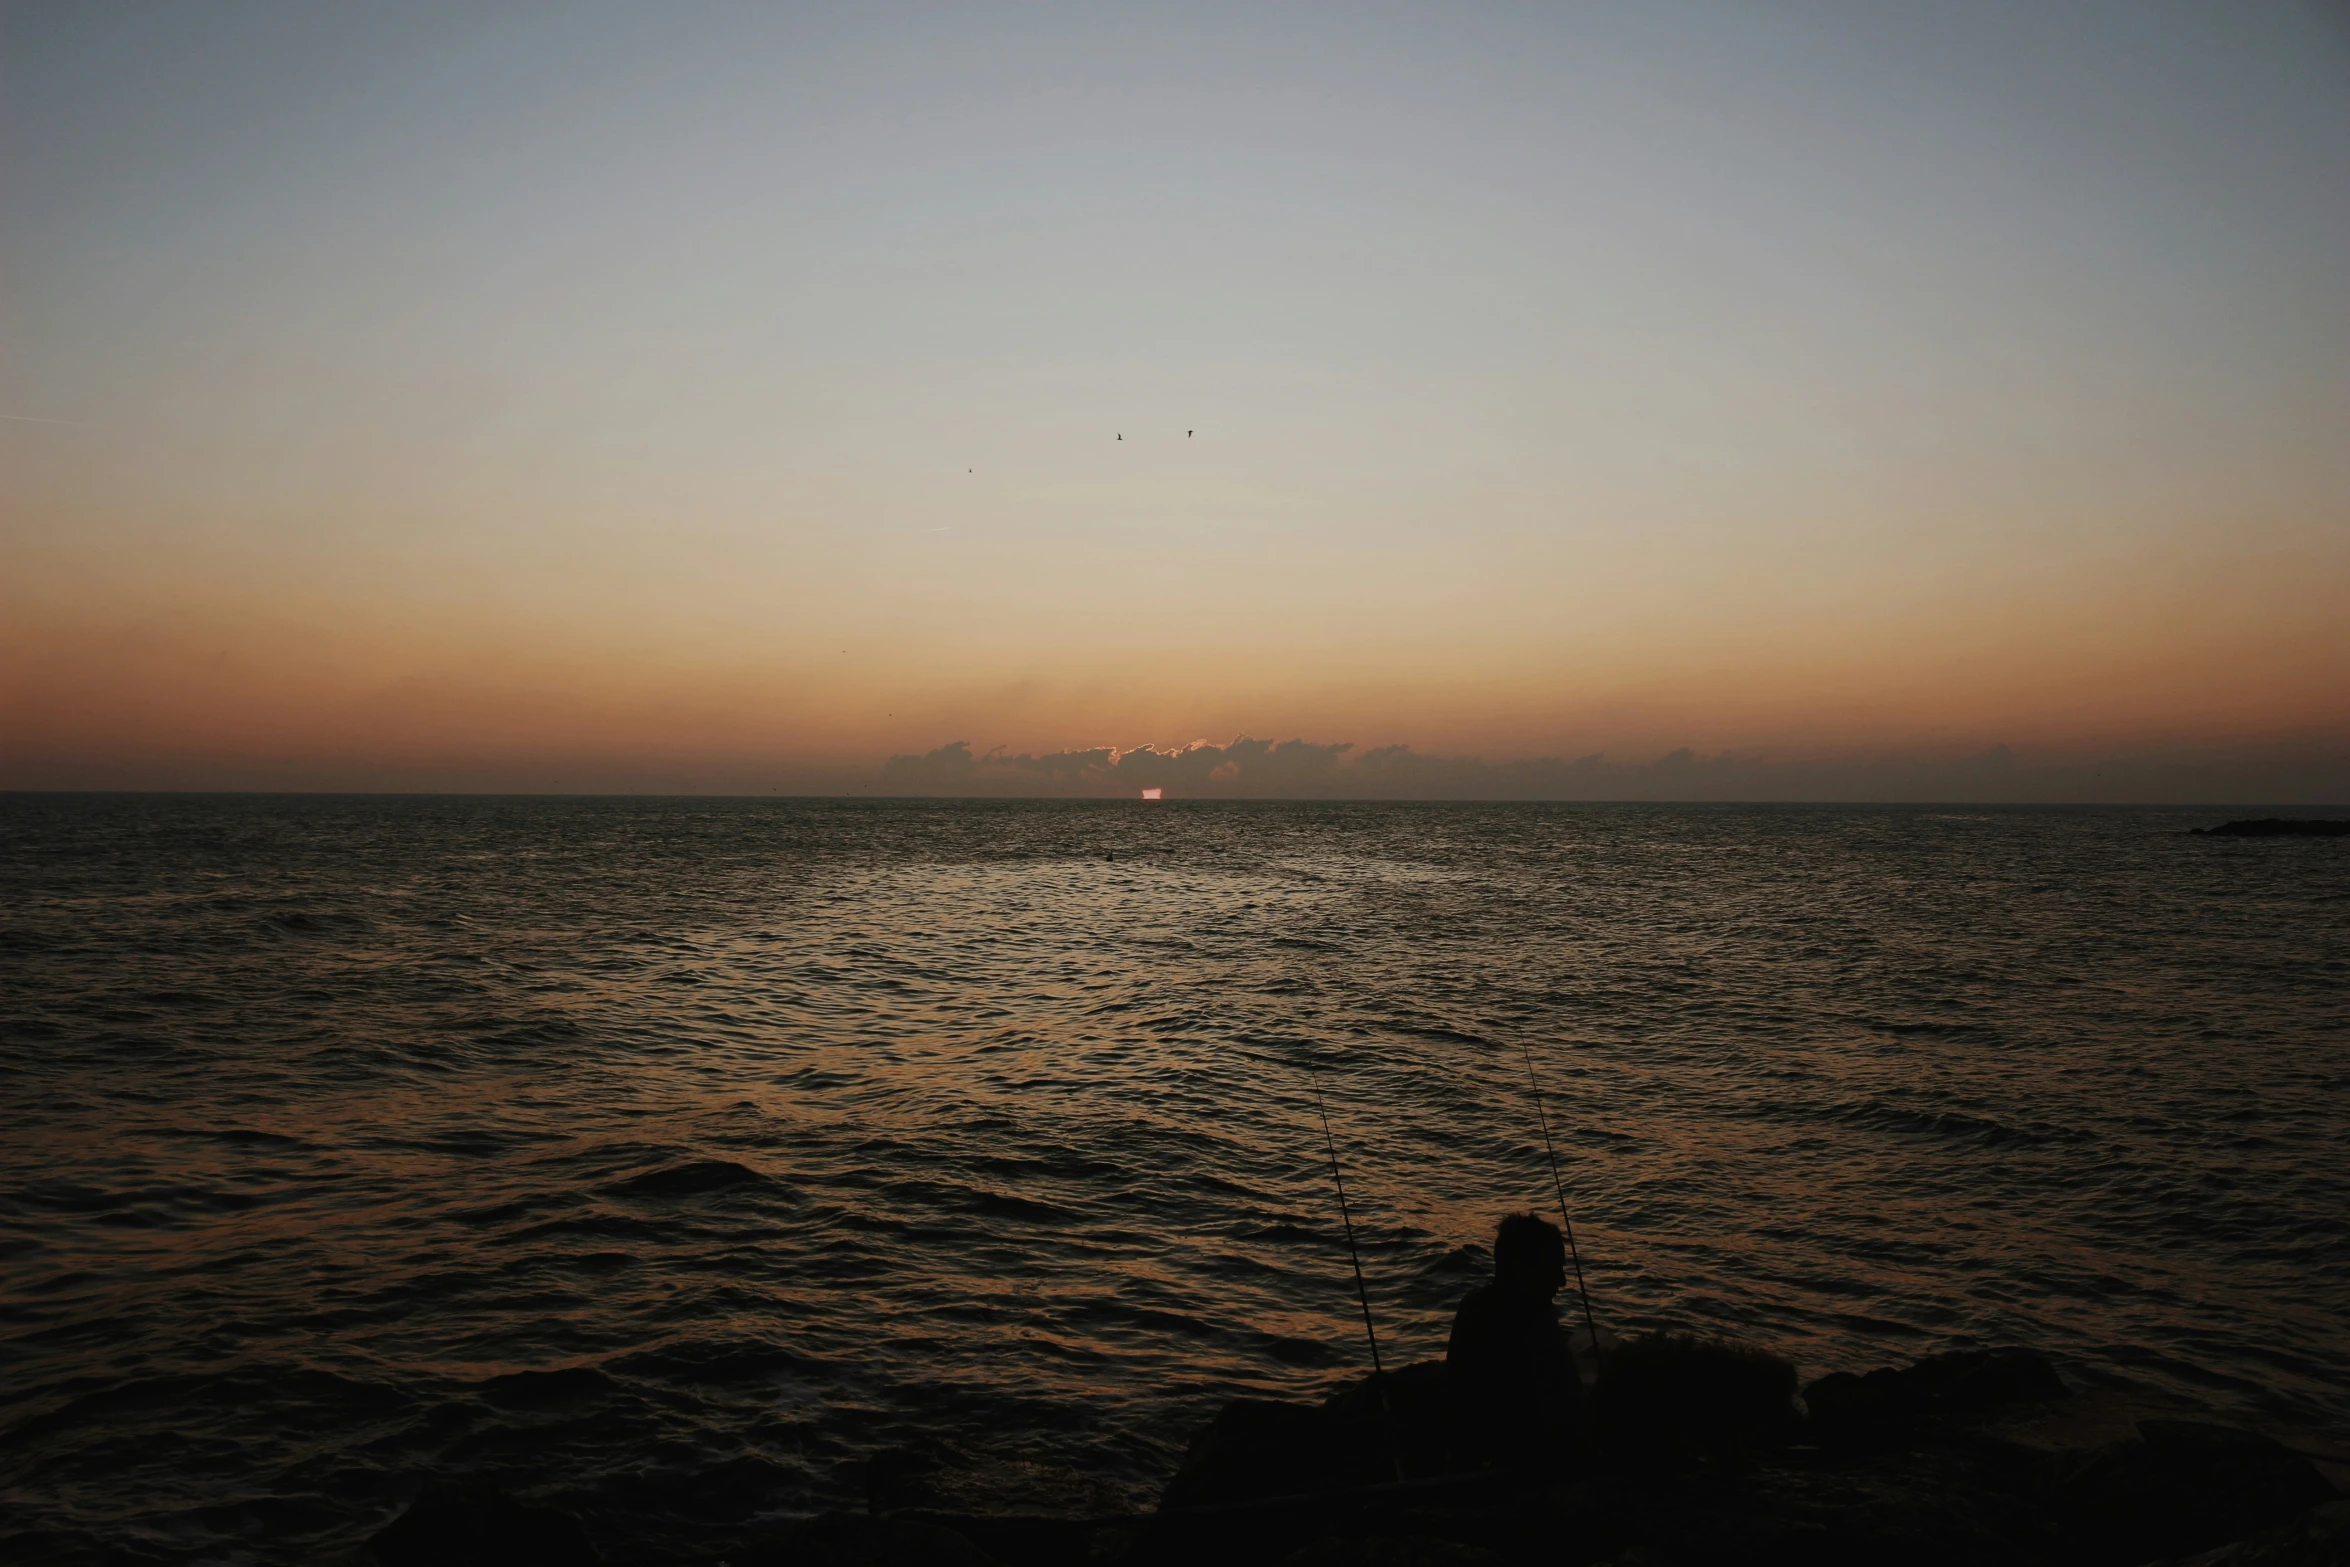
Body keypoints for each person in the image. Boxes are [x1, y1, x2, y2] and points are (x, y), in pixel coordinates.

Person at [1446, 1212, 1586, 1468]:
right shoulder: (1536, 1324)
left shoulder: (1472, 1307)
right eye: (1554, 1268)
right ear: (1524, 1269)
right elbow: (1563, 1417)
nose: (1563, 1281)